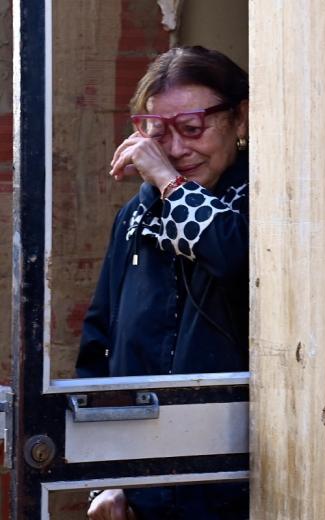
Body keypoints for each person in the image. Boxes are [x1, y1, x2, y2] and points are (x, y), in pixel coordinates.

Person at [75, 46, 250, 520]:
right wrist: (105, 482)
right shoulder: (136, 215)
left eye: (192, 129)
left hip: (234, 490)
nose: (174, 150)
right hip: (144, 495)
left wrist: (172, 186)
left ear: (241, 119)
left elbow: (232, 256)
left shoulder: (263, 198)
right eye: (158, 133)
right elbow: (101, 346)